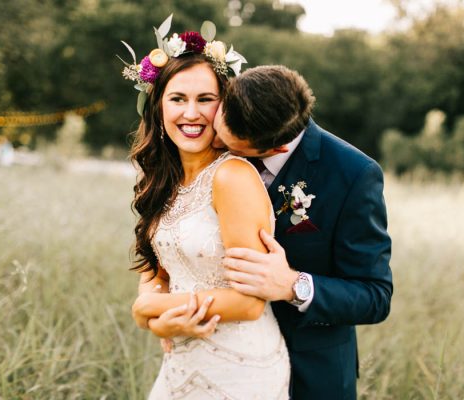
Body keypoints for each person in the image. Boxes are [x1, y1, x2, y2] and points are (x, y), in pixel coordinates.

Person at [125, 19, 289, 399]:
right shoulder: (162, 179)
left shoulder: (232, 177)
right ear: (158, 106)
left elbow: (249, 302)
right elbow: (157, 269)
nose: (191, 113)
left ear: (224, 105)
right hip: (181, 361)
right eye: (178, 99)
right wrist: (155, 312)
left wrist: (150, 311)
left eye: (205, 99)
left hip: (240, 369)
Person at [211, 65, 393, 399]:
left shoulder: (354, 175)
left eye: (232, 146)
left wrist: (293, 285)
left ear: (275, 148)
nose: (214, 141)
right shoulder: (220, 134)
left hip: (308, 375)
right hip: (221, 363)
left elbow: (375, 296)